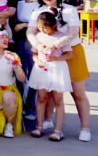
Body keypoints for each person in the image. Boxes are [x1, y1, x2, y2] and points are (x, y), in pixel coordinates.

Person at [26, 0, 91, 142]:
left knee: (78, 93)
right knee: (47, 91)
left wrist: (54, 45)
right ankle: (47, 121)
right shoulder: (37, 12)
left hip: (71, 52)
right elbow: (30, 32)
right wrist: (38, 46)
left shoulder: (69, 9)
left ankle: (85, 128)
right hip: (46, 53)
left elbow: (73, 33)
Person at [28, 12, 73, 141]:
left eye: (45, 27)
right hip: (42, 68)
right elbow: (34, 54)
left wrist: (55, 58)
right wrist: (37, 61)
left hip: (57, 68)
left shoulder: (61, 37)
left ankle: (58, 130)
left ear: (53, 25)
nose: (42, 29)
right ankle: (39, 126)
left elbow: (69, 54)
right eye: (40, 27)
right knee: (41, 97)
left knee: (58, 99)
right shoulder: (38, 37)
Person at [12, 0, 39, 120]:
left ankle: (31, 107)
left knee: (33, 72)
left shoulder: (38, 6)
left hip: (32, 40)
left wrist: (24, 25)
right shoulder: (19, 3)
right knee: (19, 70)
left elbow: (40, 23)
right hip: (19, 40)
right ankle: (21, 104)